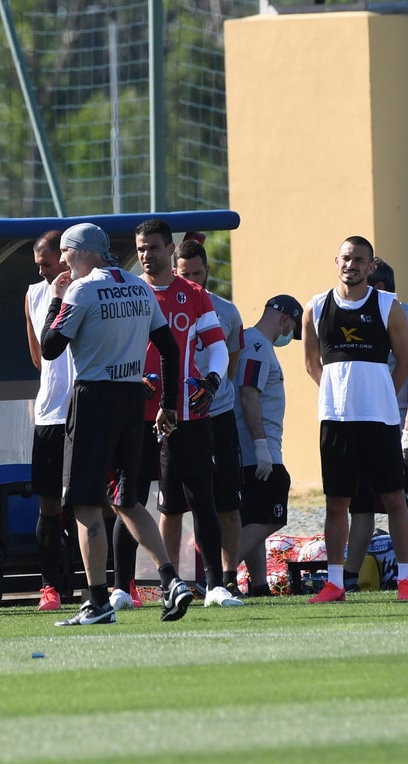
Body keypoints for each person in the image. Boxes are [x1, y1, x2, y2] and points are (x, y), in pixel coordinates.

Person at [40, 222, 192, 626]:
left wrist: (55, 301)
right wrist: (169, 405)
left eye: (65, 254)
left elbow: (50, 348)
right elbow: (169, 348)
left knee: (85, 502)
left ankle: (97, 602)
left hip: (94, 398)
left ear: (82, 252)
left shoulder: (82, 289)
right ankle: (172, 580)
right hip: (131, 400)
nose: (64, 263)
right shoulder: (140, 287)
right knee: (127, 500)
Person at [109, 219, 240, 611]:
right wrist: (133, 380)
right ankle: (120, 588)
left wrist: (212, 382)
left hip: (187, 414)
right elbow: (113, 348)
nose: (146, 255)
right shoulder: (128, 291)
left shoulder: (194, 294)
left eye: (152, 247)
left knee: (202, 499)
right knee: (130, 498)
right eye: (140, 248)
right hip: (136, 415)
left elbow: (216, 346)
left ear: (170, 249)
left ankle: (215, 586)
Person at [302, 236, 408, 603]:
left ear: (370, 266)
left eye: (359, 260)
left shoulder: (387, 306)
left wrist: (380, 395)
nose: (351, 265)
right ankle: (335, 583)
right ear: (336, 261)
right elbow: (311, 364)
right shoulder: (316, 307)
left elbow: (404, 362)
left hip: (380, 420)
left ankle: (406, 582)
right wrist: (339, 396)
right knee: (337, 503)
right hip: (335, 420)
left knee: (395, 499)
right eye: (346, 258)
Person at [343, 257, 408, 592]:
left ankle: (405, 575)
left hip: (401, 423)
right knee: (361, 504)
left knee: (402, 503)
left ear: (378, 287)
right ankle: (350, 577)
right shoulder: (364, 320)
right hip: (367, 423)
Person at [174, 238, 246, 597]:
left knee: (226, 502)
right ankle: (172, 580)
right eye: (184, 275)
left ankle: (228, 576)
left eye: (197, 274)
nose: (192, 281)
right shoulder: (162, 305)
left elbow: (230, 365)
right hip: (177, 417)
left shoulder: (227, 312)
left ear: (207, 271)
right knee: (173, 504)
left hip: (217, 415)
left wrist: (210, 392)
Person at [234, 296, 300, 596]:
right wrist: (261, 445)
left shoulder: (253, 343)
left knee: (254, 517)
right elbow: (248, 393)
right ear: (285, 320)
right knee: (272, 515)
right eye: (291, 328)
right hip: (257, 449)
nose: (288, 335)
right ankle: (217, 573)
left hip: (253, 448)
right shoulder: (258, 346)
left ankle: (259, 585)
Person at [24, 230, 75, 611]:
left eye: (46, 263)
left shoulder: (89, 288)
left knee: (98, 501)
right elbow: (39, 356)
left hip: (88, 408)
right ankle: (50, 587)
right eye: (38, 264)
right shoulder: (33, 294)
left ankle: (114, 584)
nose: (41, 271)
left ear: (65, 257)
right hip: (51, 413)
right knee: (49, 503)